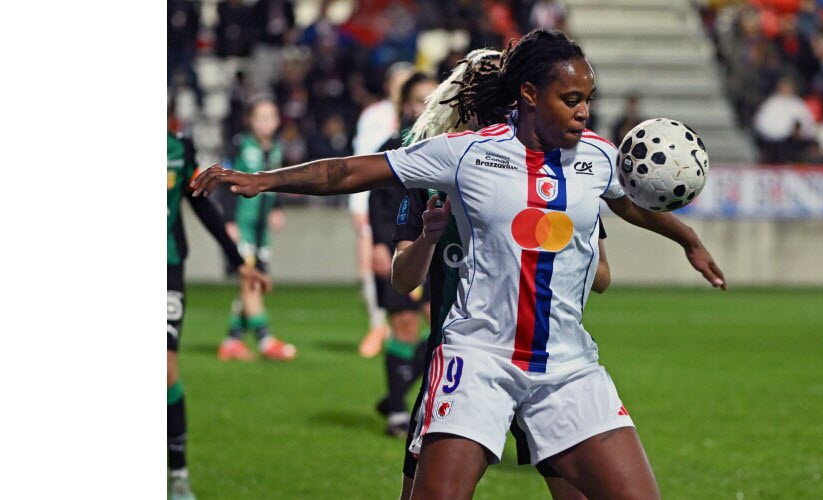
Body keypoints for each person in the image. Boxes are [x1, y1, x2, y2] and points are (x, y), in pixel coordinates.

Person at [192, 29, 726, 500]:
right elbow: (350, 171)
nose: (584, 111)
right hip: (478, 359)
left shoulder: (597, 156)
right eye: (571, 99)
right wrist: (266, 180)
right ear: (529, 94)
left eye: (588, 98)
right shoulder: (466, 152)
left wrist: (687, 238)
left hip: (567, 367)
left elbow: (630, 202)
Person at [390, 48, 610, 500]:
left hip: (543, 360)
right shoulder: (435, 172)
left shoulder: (556, 174)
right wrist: (430, 239)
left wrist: (543, 238)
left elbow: (601, 272)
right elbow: (402, 278)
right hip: (463, 361)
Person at [167, 129, 271, 500]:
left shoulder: (179, 146)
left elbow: (198, 202)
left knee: (165, 371)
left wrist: (237, 260)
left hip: (167, 267)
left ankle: (177, 473)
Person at [369, 72, 439, 437]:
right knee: (405, 325)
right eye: (418, 99)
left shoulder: (449, 147)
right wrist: (380, 244)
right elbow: (377, 200)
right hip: (399, 249)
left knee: (442, 325)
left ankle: (397, 392)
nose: (425, 106)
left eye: (433, 98)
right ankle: (397, 410)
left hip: (437, 252)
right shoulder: (393, 147)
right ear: (405, 105)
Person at [217, 97, 297, 361]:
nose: (266, 123)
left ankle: (232, 340)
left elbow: (279, 182)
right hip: (242, 225)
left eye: (270, 117)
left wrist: (277, 208)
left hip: (262, 230)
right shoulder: (241, 145)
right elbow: (224, 182)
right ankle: (265, 339)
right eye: (260, 117)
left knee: (256, 283)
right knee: (251, 279)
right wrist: (228, 221)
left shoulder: (276, 147)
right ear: (250, 120)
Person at [351, 62, 414, 358]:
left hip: (411, 209)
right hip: (378, 203)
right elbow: (363, 161)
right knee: (374, 265)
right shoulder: (375, 116)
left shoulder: (429, 118)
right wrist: (360, 205)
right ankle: (377, 324)